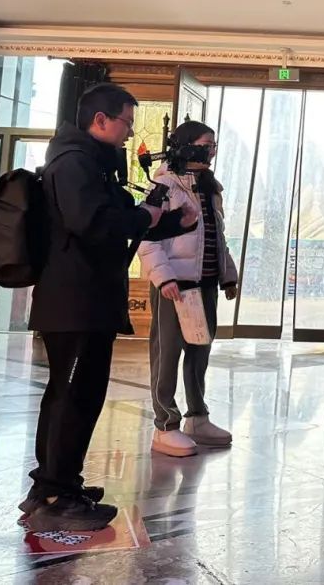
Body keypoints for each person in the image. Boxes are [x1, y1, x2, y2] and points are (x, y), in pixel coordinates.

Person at [22, 83, 194, 532]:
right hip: (75, 300)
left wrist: (172, 222)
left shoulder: (91, 163)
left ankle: (57, 484)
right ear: (100, 120)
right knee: (72, 396)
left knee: (75, 394)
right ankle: (55, 494)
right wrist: (145, 216)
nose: (129, 133)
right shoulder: (74, 162)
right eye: (125, 123)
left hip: (85, 299)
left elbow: (123, 221)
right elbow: (94, 223)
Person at [138, 120, 238, 458]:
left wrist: (227, 275)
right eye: (206, 144)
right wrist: (164, 278)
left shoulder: (210, 187)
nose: (211, 151)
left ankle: (198, 417)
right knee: (167, 353)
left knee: (200, 351)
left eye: (213, 145)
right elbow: (148, 239)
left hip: (205, 284)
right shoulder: (164, 185)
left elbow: (216, 236)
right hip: (174, 287)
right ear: (186, 145)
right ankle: (165, 425)